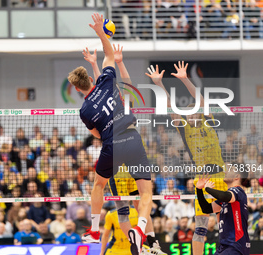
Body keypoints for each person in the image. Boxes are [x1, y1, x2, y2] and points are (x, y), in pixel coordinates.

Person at [70, 14, 152, 255]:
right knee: (145, 193)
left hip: (111, 145)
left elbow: (96, 134)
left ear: (77, 88)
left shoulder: (84, 110)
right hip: (132, 137)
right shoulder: (107, 82)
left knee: (98, 185)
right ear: (91, 80)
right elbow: (108, 55)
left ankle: (94, 229)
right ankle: (142, 228)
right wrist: (100, 34)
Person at [82, 44, 166, 255]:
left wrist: (113, 62)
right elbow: (108, 86)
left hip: (118, 152)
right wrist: (108, 63)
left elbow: (110, 86)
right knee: (133, 204)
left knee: (135, 204)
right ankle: (140, 245)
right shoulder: (116, 97)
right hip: (126, 151)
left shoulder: (117, 97)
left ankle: (150, 245)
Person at [146, 61, 228, 255]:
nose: (191, 116)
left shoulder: (208, 121)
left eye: (194, 113)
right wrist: (159, 84)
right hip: (201, 180)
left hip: (220, 177)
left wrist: (185, 79)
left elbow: (199, 99)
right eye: (188, 114)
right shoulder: (184, 129)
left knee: (224, 221)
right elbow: (169, 105)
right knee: (200, 225)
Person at [195, 166, 250, 255]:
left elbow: (226, 196)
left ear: (237, 176)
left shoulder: (238, 191)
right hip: (224, 246)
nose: (225, 172)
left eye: (230, 169)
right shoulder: (226, 198)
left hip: (235, 245)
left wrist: (208, 189)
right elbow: (206, 208)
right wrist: (199, 189)